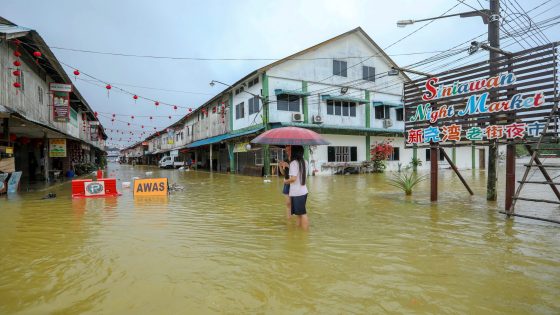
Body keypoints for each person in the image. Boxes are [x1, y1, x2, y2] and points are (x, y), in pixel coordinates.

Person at [284, 145, 309, 230]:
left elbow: (293, 178)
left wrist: (285, 181)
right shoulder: (305, 161)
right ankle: (299, 231)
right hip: (303, 191)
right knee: (299, 213)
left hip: (297, 192)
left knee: (302, 213)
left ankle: (305, 233)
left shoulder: (294, 163)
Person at [278, 145, 292, 219]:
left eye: (289, 150)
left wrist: (289, 166)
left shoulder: (295, 160)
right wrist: (280, 166)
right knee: (288, 203)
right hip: (286, 182)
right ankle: (289, 220)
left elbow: (296, 174)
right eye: (286, 150)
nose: (287, 152)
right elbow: (283, 173)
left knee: (295, 204)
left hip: (294, 183)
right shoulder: (286, 159)